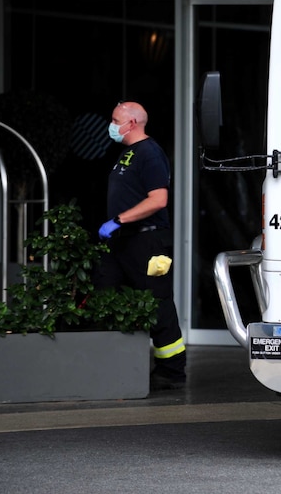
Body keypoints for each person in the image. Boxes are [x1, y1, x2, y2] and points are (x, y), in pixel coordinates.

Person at [93, 100, 187, 391]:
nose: (111, 125)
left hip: (146, 240)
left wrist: (119, 220)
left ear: (131, 123)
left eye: (114, 119)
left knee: (156, 302)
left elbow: (158, 200)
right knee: (104, 294)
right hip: (122, 241)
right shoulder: (128, 154)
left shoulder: (150, 154)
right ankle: (110, 363)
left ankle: (171, 370)